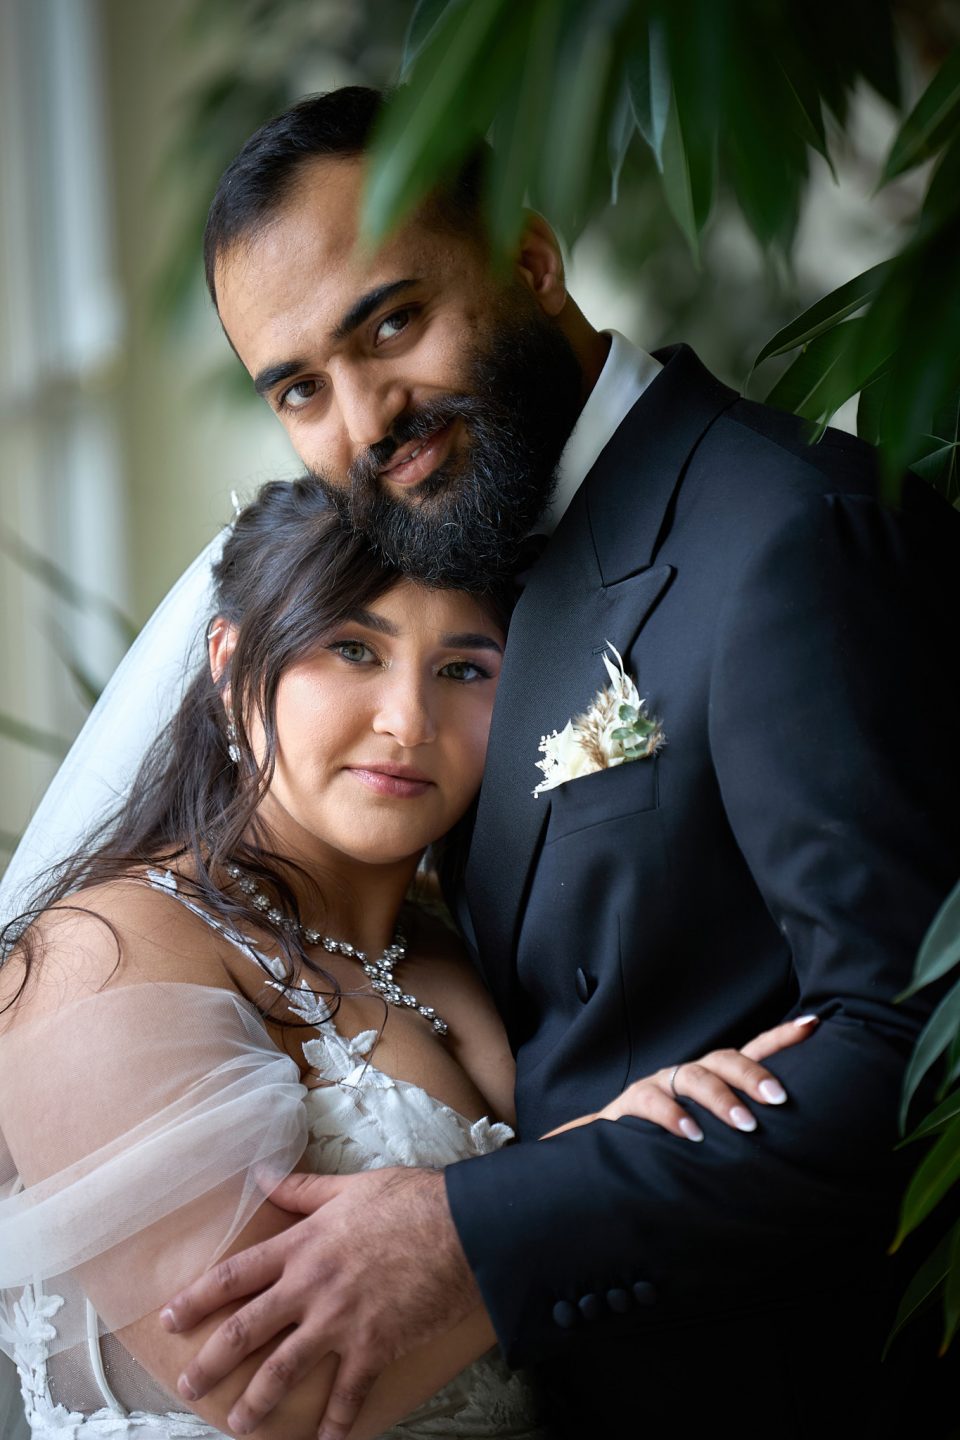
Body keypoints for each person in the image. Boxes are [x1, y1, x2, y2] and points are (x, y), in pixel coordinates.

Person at [146, 87, 959, 1440]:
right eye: (300, 388)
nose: (365, 418)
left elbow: (921, 1051)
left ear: (531, 257)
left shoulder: (790, 536)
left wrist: (475, 1235)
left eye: (391, 323)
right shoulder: (460, 566)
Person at [0, 480, 810, 1440]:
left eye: (465, 668)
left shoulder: (466, 939)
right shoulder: (103, 951)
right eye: (354, 649)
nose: (408, 721)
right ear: (230, 663)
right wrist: (613, 1160)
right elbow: (264, 1389)